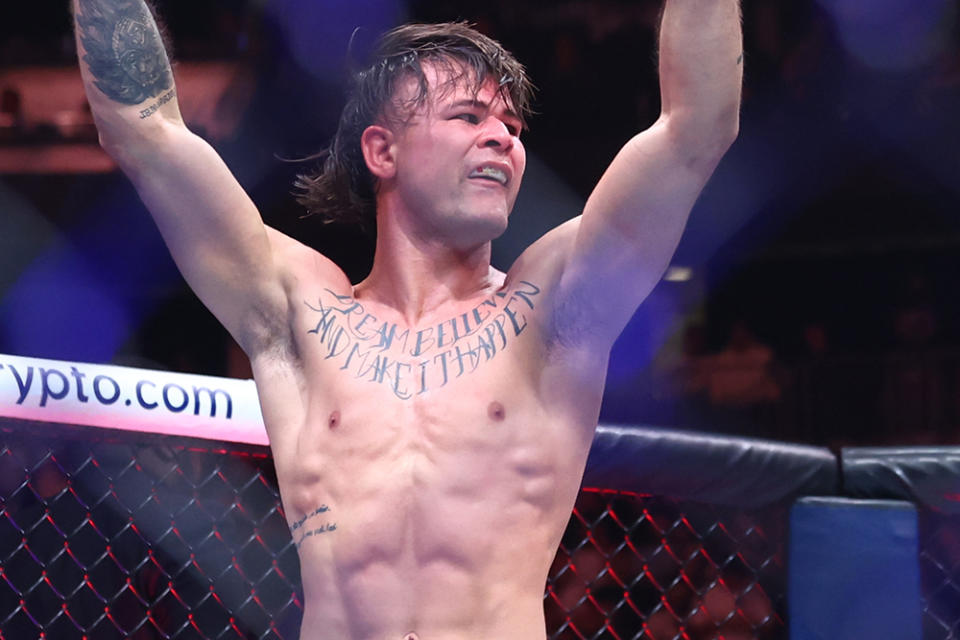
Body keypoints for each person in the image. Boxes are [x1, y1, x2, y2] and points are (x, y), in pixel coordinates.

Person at [71, 1, 742, 638]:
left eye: (512, 127)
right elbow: (144, 132)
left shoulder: (554, 311)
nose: (501, 139)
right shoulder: (299, 313)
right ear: (382, 152)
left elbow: (695, 131)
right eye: (469, 115)